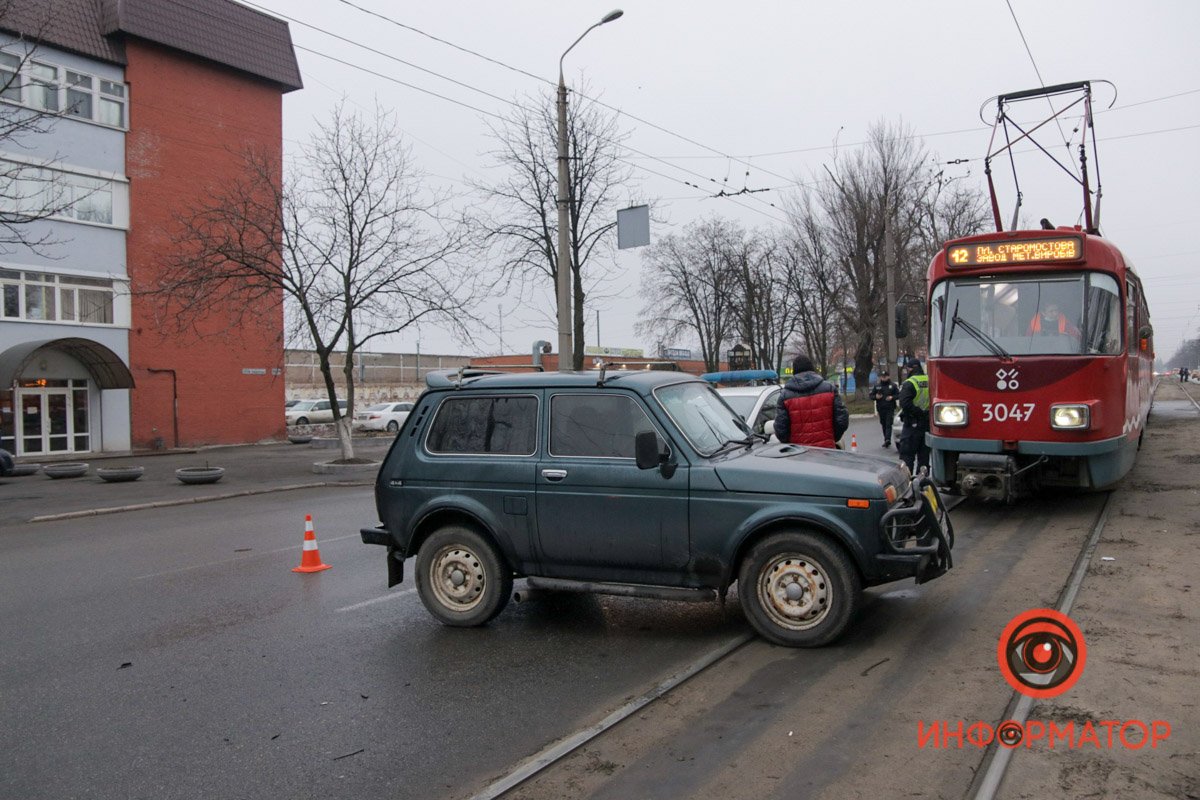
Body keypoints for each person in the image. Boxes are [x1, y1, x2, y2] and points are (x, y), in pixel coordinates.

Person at [773, 354, 849, 449]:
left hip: (799, 454)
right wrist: (832, 437)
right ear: (812, 369)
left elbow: (781, 429)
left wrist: (790, 443)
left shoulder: (785, 396)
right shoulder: (830, 389)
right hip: (827, 451)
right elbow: (842, 420)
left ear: (794, 371)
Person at [897, 359, 931, 475]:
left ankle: (907, 483)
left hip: (912, 424)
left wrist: (918, 412)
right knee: (924, 457)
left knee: (907, 456)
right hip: (927, 423)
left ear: (910, 369)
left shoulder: (910, 383)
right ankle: (923, 483)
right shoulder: (930, 380)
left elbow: (905, 403)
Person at [869, 370, 900, 448]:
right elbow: (871, 396)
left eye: (885, 376)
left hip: (890, 407)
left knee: (888, 423)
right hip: (881, 408)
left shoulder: (893, 385)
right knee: (883, 423)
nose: (883, 378)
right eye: (882, 377)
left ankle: (887, 439)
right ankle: (886, 438)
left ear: (888, 376)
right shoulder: (877, 386)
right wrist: (876, 397)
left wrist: (892, 397)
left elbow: (898, 395)